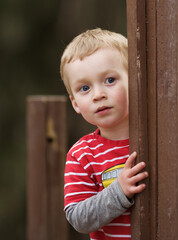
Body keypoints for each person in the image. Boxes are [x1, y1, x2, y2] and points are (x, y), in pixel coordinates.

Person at [60, 28, 148, 240]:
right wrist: (119, 191)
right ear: (75, 104)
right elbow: (78, 218)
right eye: (84, 88)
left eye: (109, 80)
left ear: (134, 83)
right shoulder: (82, 154)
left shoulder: (156, 137)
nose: (98, 95)